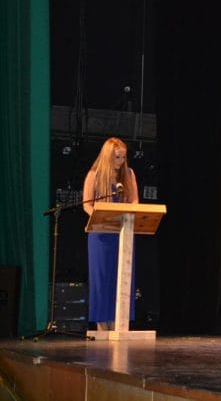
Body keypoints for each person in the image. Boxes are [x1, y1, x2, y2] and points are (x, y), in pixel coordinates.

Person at [82, 137, 139, 331]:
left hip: (123, 233)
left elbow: (135, 202)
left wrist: (126, 215)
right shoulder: (94, 175)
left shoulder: (129, 174)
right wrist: (102, 218)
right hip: (100, 234)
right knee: (101, 279)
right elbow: (87, 205)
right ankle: (102, 327)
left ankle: (118, 326)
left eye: (123, 157)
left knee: (121, 279)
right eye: (117, 157)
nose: (121, 161)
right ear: (107, 156)